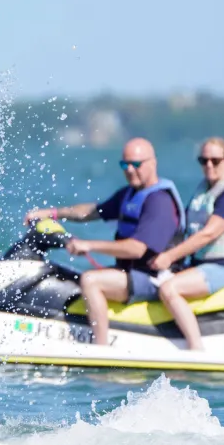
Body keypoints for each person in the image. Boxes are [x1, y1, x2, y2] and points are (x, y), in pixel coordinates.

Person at [24, 138, 185, 345]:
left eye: (136, 164)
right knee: (65, 274)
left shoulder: (159, 202)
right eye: (124, 164)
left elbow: (136, 249)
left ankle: (101, 347)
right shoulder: (130, 194)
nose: (129, 170)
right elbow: (90, 212)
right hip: (133, 274)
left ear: (152, 163)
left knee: (91, 280)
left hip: (155, 278)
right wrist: (52, 213)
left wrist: (89, 244)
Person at [149, 137, 224, 350]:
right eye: (203, 160)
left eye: (215, 160)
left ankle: (196, 348)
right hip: (200, 265)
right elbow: (184, 228)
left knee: (169, 289)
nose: (208, 165)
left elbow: (208, 234)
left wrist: (170, 257)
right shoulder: (204, 190)